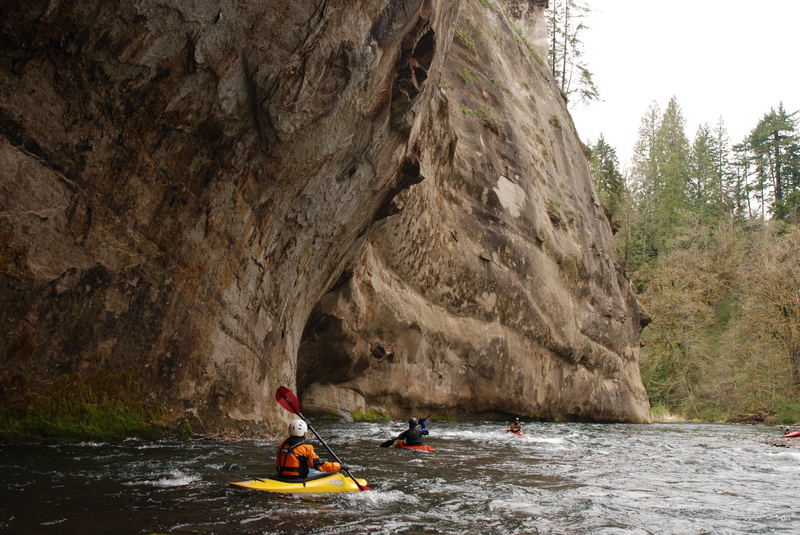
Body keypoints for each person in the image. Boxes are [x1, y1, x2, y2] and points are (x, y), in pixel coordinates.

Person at [275, 419, 347, 480]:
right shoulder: (306, 449)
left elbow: (293, 437)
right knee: (332, 472)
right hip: (297, 479)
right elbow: (320, 465)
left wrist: (305, 426)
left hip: (281, 477)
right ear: (304, 433)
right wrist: (339, 466)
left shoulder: (282, 444)